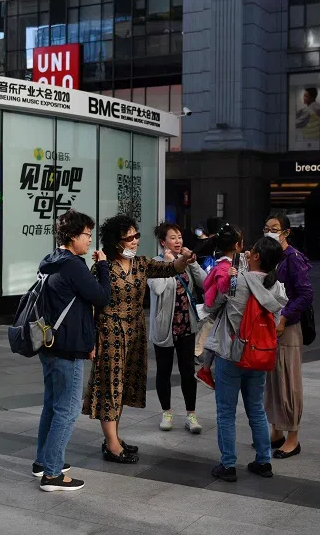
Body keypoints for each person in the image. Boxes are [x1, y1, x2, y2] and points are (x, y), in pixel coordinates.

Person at [83, 215, 197, 464]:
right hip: (109, 332)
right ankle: (112, 445)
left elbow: (171, 269)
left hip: (134, 332)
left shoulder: (142, 264)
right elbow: (90, 305)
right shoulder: (103, 268)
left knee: (122, 387)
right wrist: (90, 341)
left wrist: (184, 260)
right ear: (116, 242)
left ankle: (113, 438)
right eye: (129, 237)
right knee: (110, 387)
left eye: (136, 236)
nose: (135, 241)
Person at [35, 210, 111, 492]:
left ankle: (43, 462)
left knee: (52, 405)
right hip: (67, 347)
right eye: (87, 235)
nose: (90, 240)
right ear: (73, 236)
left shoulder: (49, 260)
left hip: (49, 341)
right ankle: (52, 474)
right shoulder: (73, 265)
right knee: (67, 409)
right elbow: (102, 297)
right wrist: (103, 266)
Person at [204, 236, 288, 482]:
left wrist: (229, 279)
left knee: (227, 411)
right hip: (260, 355)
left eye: (252, 252)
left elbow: (212, 305)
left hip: (232, 354)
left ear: (257, 258)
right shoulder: (278, 288)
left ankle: (228, 464)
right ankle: (264, 461)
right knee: (256, 409)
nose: (248, 254)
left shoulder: (237, 282)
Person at [148, 222, 207, 434]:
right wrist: (169, 263)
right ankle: (167, 413)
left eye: (180, 237)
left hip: (186, 325)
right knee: (163, 371)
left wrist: (190, 263)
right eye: (173, 238)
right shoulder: (154, 263)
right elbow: (158, 288)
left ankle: (191, 415)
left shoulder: (186, 263)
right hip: (164, 327)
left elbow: (205, 282)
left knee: (188, 372)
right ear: (163, 242)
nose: (178, 241)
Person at [263, 213, 314, 459]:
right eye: (266, 227)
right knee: (273, 382)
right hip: (270, 326)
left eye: (274, 228)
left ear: (286, 232)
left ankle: (292, 437)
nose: (269, 231)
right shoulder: (270, 257)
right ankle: (276, 432)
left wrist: (284, 318)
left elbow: (305, 294)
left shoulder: (293, 258)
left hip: (287, 326)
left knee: (289, 381)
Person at [195, 224, 246, 390]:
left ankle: (205, 370)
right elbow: (224, 289)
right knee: (215, 339)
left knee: (213, 337)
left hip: (217, 309)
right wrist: (232, 277)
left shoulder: (226, 263)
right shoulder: (225, 267)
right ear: (237, 245)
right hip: (219, 310)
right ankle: (205, 370)